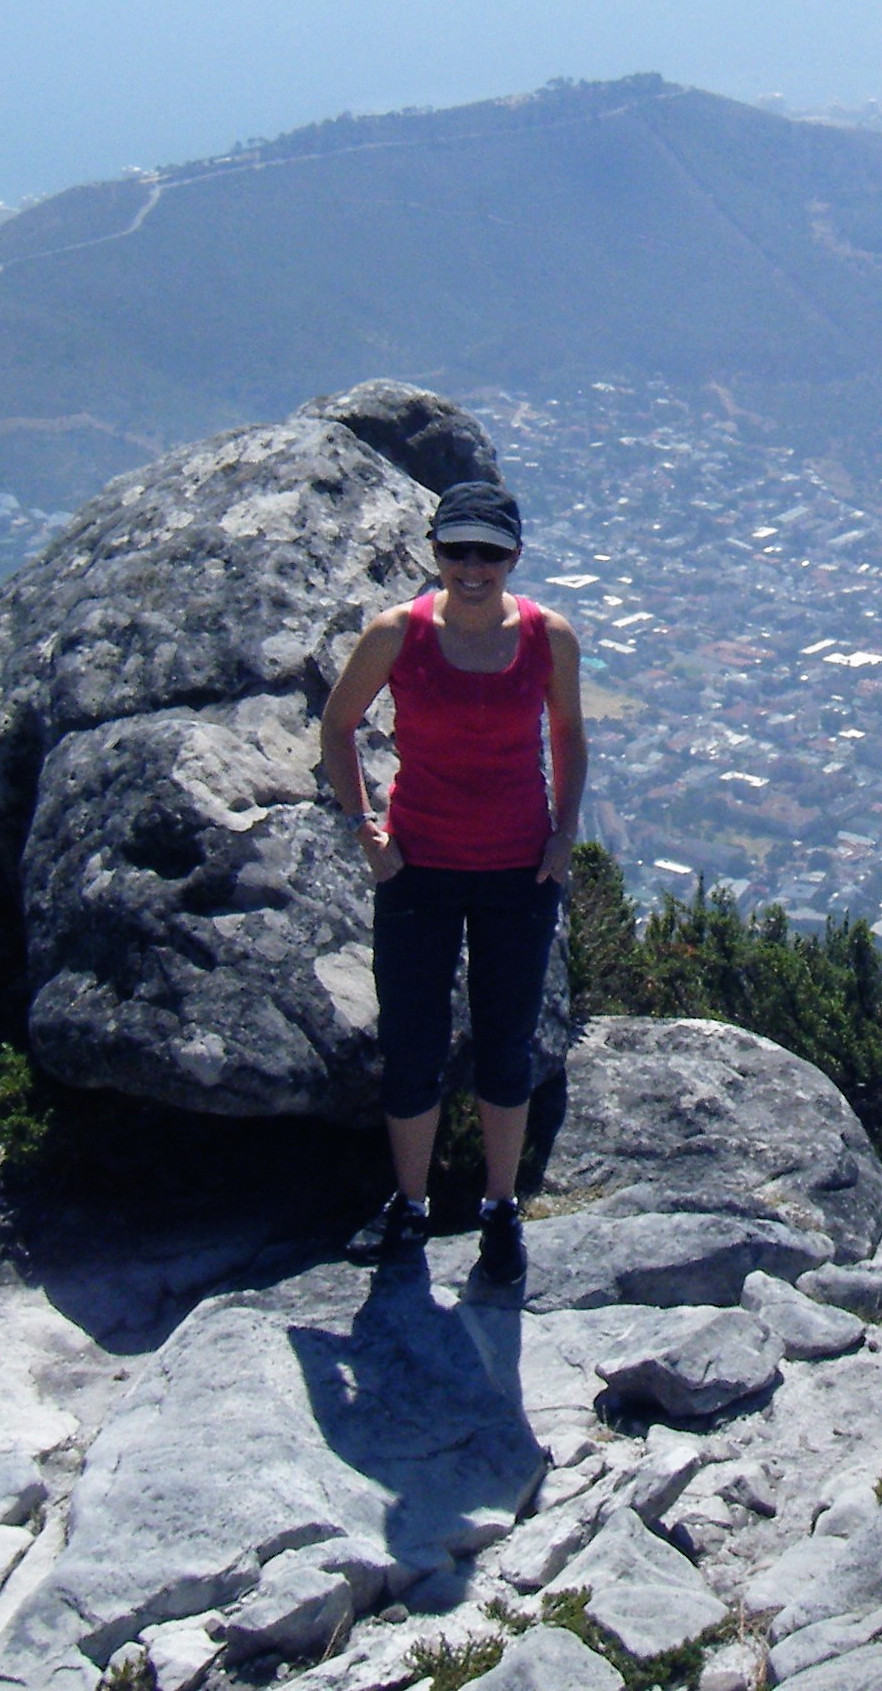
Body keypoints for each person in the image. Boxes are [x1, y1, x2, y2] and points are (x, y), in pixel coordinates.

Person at [316, 477, 585, 1286]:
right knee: (412, 1047)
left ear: (515, 556)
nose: (472, 567)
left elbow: (569, 734)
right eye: (457, 550)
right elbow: (337, 725)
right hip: (419, 866)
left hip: (517, 869)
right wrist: (364, 829)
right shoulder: (397, 633)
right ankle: (410, 1204)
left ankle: (500, 1210)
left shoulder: (547, 637)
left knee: (507, 1048)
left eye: (488, 553)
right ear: (433, 551)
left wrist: (564, 833)